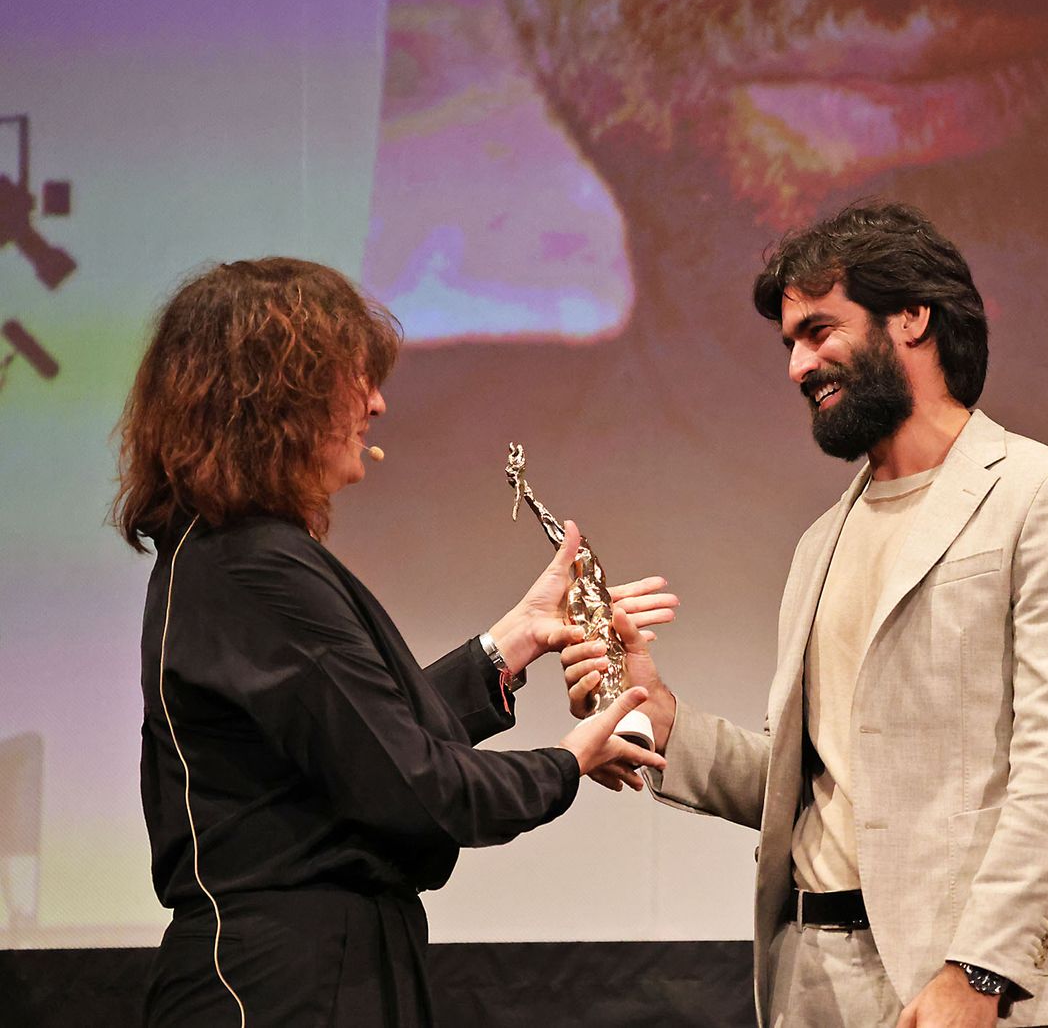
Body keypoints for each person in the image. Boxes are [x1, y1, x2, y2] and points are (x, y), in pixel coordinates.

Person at [563, 202, 1048, 1027]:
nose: (799, 365)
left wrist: (979, 972)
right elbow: (819, 784)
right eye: (791, 343)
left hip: (966, 989)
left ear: (912, 316)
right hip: (810, 978)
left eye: (821, 330)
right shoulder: (820, 543)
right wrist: (663, 720)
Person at [113, 257, 672, 1026]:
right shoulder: (255, 569)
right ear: (280, 395)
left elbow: (360, 734)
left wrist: (510, 642)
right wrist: (568, 761)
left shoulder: (229, 558)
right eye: (353, 379)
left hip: (302, 974)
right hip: (282, 991)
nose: (376, 402)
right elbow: (415, 786)